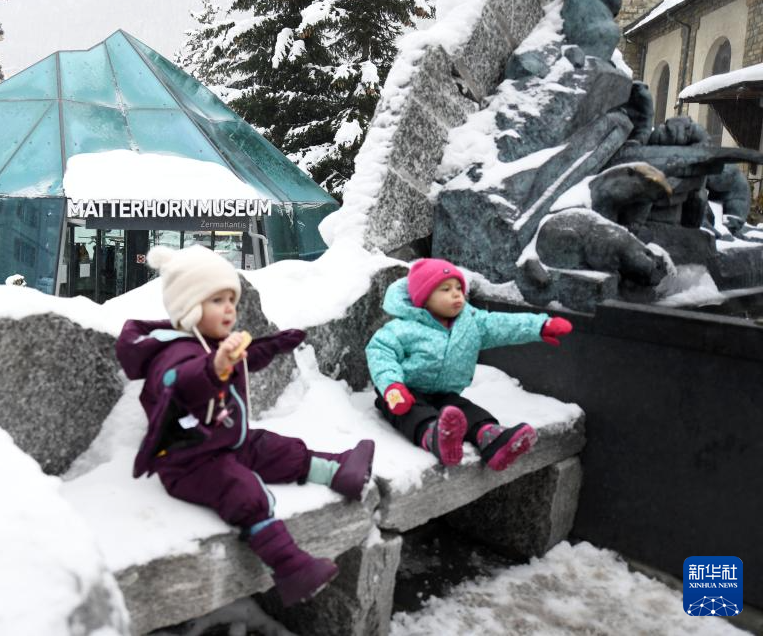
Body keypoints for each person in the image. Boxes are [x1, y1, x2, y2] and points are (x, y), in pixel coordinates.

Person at [116, 245, 375, 606]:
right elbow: (183, 381)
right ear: (190, 307)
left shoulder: (213, 344)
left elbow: (244, 358)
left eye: (231, 300)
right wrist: (214, 367)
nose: (229, 309)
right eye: (216, 300)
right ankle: (291, 568)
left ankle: (338, 471)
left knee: (276, 449)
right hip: (188, 462)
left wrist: (275, 345)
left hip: (225, 441)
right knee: (243, 491)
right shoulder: (172, 355)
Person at [366, 258, 573, 471]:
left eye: (458, 288)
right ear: (424, 298)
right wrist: (392, 386)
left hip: (443, 394)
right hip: (402, 393)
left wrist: (540, 326)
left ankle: (491, 437)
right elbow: (381, 352)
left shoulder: (471, 322)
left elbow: (502, 324)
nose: (456, 294)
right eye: (445, 289)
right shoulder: (403, 328)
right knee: (411, 412)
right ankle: (434, 435)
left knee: (464, 410)